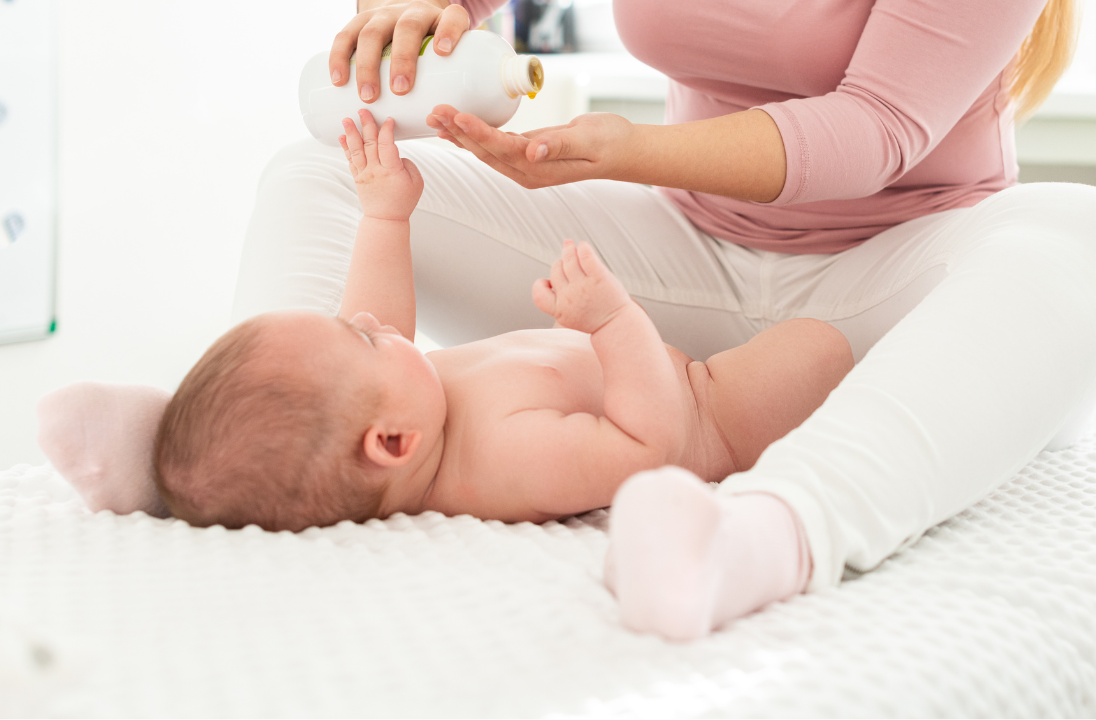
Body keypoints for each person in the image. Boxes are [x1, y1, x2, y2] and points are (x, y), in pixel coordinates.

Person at [236, 0, 1096, 640]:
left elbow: (875, 130)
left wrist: (630, 149)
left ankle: (762, 537)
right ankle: (247, 436)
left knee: (1076, 235)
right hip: (678, 266)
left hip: (892, 288)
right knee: (320, 174)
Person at [157, 112, 852, 543]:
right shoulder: (501, 459)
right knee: (824, 348)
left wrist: (385, 216)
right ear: (392, 443)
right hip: (709, 406)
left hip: (658, 366)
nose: (368, 320)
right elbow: (648, 444)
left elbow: (383, 318)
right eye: (362, 339)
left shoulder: (411, 406)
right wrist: (610, 324)